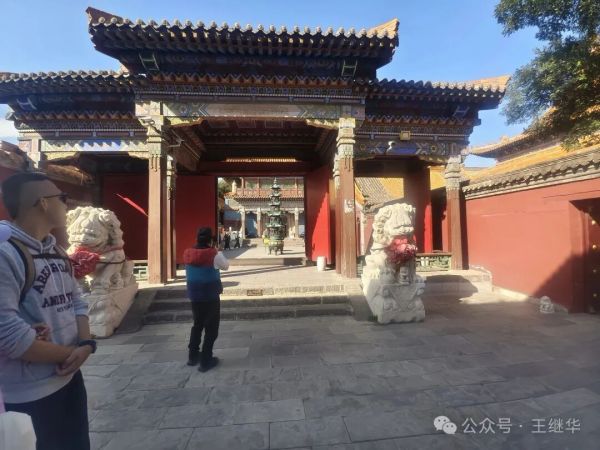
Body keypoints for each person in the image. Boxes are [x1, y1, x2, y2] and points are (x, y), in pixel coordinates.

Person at [0, 171, 94, 450]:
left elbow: (77, 301)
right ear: (43, 202)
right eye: (62, 198)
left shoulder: (57, 252)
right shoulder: (5, 254)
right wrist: (73, 353)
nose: (67, 204)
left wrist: (86, 344)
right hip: (27, 391)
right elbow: (9, 334)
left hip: (69, 378)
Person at [183, 227, 229, 372]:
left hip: (195, 295)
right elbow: (226, 266)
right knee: (211, 328)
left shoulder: (187, 253)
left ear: (197, 238)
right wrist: (218, 251)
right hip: (210, 295)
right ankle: (206, 360)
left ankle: (193, 356)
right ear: (210, 240)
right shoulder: (214, 254)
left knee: (197, 325)